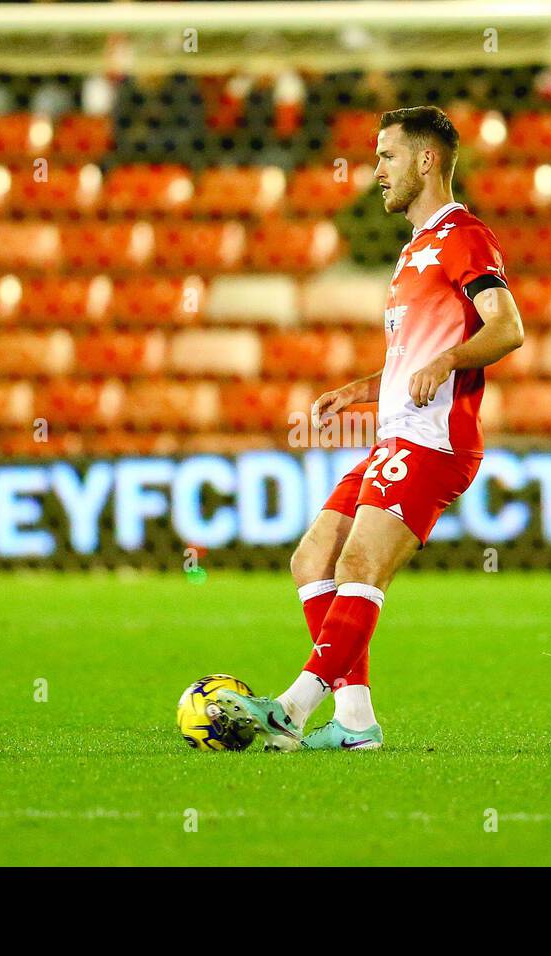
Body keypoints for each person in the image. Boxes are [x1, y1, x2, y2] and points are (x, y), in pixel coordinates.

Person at [216, 105, 525, 751]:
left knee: (361, 561)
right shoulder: (415, 249)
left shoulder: (464, 235)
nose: (377, 170)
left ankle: (293, 712)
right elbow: (413, 356)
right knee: (312, 559)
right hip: (396, 434)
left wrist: (446, 360)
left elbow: (507, 327)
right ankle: (355, 722)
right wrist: (361, 392)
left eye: (387, 156)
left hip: (434, 441)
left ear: (426, 159)